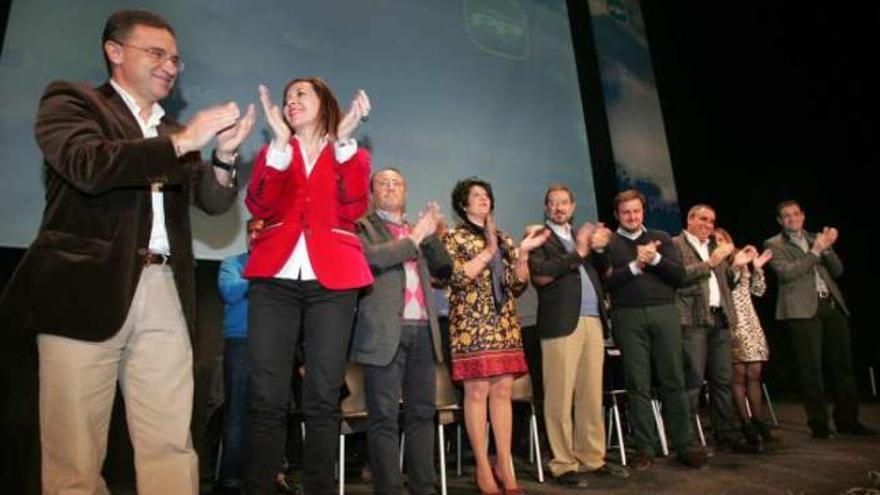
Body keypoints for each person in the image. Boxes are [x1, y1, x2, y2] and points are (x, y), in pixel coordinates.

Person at [0, 9, 255, 494]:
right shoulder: (71, 101)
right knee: (73, 452)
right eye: (156, 53)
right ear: (114, 52)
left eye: (176, 58)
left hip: (164, 292)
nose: (170, 66)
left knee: (171, 443)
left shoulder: (172, 131)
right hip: (82, 292)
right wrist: (184, 142)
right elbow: (88, 165)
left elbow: (213, 201)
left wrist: (222, 156)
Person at [242, 78, 373, 494]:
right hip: (274, 279)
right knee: (267, 397)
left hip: (332, 281)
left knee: (321, 397)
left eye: (301, 94)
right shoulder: (274, 151)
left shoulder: (350, 153)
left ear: (325, 103)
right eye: (286, 98)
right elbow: (258, 205)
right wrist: (279, 148)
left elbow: (354, 207)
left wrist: (345, 146)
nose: (291, 101)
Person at [442, 177, 549, 495]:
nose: (483, 199)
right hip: (471, 325)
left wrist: (524, 254)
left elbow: (516, 286)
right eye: (476, 195)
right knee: (476, 394)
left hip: (503, 324)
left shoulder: (502, 237)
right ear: (463, 204)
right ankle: (482, 468)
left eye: (486, 195)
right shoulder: (454, 237)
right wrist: (489, 250)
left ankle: (505, 464)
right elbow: (458, 278)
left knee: (502, 393)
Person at [351, 167, 453, 495]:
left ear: (405, 192)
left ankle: (424, 487)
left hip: (424, 332)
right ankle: (389, 489)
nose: (391, 188)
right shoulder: (362, 227)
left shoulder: (417, 229)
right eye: (384, 183)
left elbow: (444, 269)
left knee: (422, 414)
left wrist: (431, 235)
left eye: (397, 184)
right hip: (383, 333)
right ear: (372, 193)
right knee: (383, 418)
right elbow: (370, 260)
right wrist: (415, 239)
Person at [527, 184, 628, 489]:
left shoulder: (583, 238)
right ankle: (562, 463)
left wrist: (599, 249)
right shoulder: (538, 238)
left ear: (572, 207)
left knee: (590, 393)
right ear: (546, 208)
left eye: (564, 203)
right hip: (560, 324)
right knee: (559, 397)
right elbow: (541, 275)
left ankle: (592, 458)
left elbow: (606, 274)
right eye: (552, 203)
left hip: (593, 321)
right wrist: (580, 251)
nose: (558, 208)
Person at [602, 189, 708, 470]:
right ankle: (645, 448)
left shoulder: (661, 237)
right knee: (638, 384)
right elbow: (607, 283)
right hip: (627, 316)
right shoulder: (610, 243)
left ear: (643, 212)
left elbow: (680, 275)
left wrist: (656, 259)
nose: (632, 216)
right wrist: (636, 265)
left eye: (636, 211)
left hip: (664, 312)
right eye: (625, 212)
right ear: (617, 215)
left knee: (673, 378)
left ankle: (685, 444)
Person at [764, 200, 876, 438]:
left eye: (796, 214)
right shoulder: (773, 244)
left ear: (803, 216)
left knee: (843, 366)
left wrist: (826, 248)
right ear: (780, 221)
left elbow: (837, 270)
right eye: (786, 216)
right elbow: (787, 274)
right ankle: (819, 424)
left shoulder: (817, 237)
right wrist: (815, 251)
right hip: (802, 310)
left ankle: (848, 420)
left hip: (831, 304)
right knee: (811, 369)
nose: (792, 219)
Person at [671, 204, 761, 453]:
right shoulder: (675, 244)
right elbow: (677, 277)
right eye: (703, 219)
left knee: (722, 381)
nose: (708, 225)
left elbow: (724, 285)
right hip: (692, 321)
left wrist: (735, 267)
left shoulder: (714, 246)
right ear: (690, 218)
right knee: (693, 381)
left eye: (711, 221)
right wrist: (710, 263)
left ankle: (726, 434)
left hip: (719, 320)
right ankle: (686, 440)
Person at [712, 227, 775, 444]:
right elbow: (725, 288)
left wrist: (756, 269)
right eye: (714, 240)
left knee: (754, 373)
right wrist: (737, 266)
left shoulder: (741, 259)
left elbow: (757, 291)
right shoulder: (717, 265)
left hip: (750, 321)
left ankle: (759, 420)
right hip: (731, 322)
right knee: (738, 376)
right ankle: (745, 423)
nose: (719, 243)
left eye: (722, 239)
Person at [216, 218, 263, 493]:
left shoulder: (282, 268)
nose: (255, 236)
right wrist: (260, 272)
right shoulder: (232, 263)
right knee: (236, 415)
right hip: (241, 343)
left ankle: (265, 476)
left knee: (268, 414)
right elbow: (231, 292)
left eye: (260, 231)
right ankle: (231, 479)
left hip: (274, 346)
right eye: (251, 232)